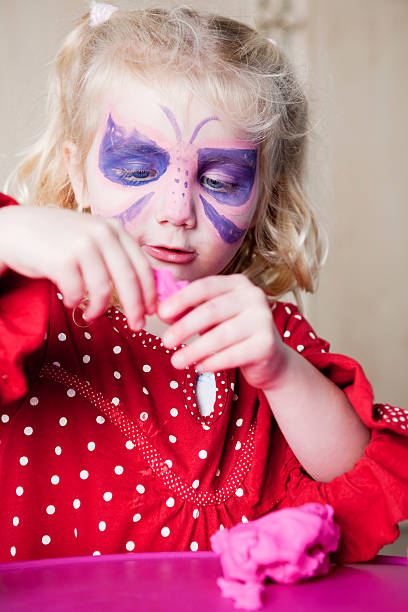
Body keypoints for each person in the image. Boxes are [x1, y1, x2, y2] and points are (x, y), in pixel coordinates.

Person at [0, 2, 407, 565]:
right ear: (77, 173)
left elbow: (357, 478)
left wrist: (281, 371)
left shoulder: (269, 334)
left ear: (263, 196)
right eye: (139, 170)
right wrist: (7, 232)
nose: (177, 209)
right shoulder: (28, 312)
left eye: (219, 179)